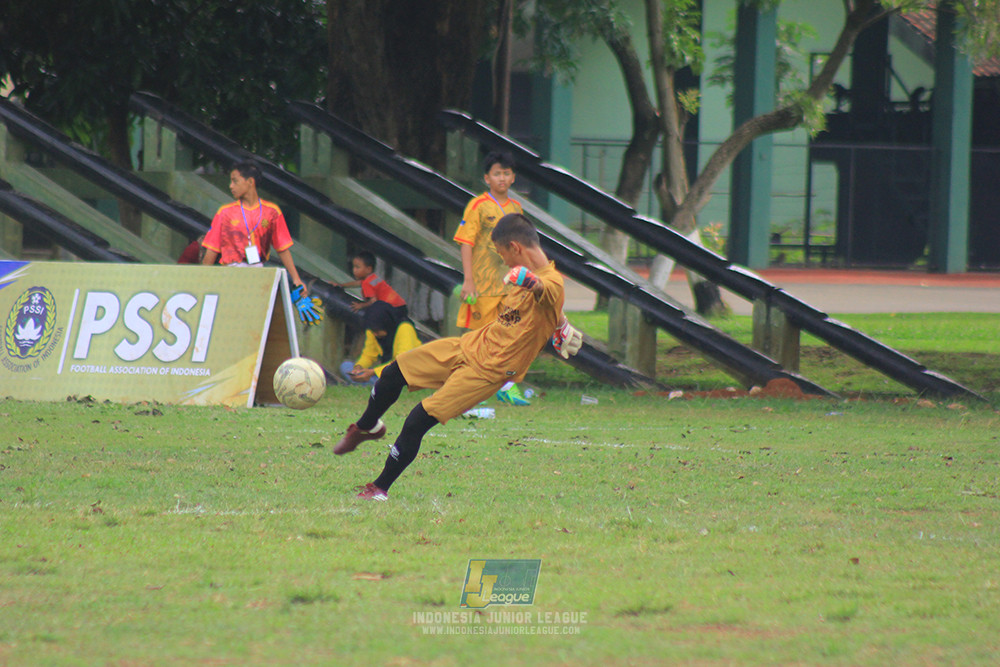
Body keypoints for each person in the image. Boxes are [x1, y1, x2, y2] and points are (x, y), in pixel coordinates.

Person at [333, 213, 581, 501]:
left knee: (418, 419)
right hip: (471, 345)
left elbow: (546, 289)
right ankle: (366, 427)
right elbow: (548, 304)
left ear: (515, 247)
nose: (505, 263)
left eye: (503, 255)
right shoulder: (532, 278)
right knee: (393, 372)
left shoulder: (548, 282)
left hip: (491, 370)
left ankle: (380, 488)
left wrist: (527, 280)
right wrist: (560, 323)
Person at [202, 160, 320, 325]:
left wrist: (296, 278)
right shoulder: (225, 213)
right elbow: (211, 249)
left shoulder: (271, 212)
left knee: (254, 320)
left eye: (235, 181)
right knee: (230, 319)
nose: (230, 186)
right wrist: (201, 279)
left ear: (250, 182)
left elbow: (282, 248)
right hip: (231, 272)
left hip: (257, 272)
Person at [454, 150, 530, 406]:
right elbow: (466, 242)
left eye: (506, 174)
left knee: (512, 336)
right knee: (479, 341)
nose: (501, 178)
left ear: (513, 178)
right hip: (483, 287)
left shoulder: (516, 208)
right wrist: (468, 280)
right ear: (487, 178)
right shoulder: (477, 205)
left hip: (509, 288)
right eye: (497, 173)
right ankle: (471, 392)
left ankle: (507, 386)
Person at [339, 302, 421, 386]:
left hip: (406, 374)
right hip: (384, 373)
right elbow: (368, 355)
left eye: (377, 331)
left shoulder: (405, 328)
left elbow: (401, 364)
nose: (375, 334)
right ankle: (368, 383)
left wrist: (373, 372)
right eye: (373, 331)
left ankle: (368, 384)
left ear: (386, 323)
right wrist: (358, 368)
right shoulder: (372, 330)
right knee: (346, 366)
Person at [330, 251, 408, 328]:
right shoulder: (373, 278)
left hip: (393, 310)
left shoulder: (367, 284)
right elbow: (358, 283)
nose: (354, 270)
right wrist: (342, 285)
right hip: (401, 306)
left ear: (368, 269)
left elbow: (373, 301)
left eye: (357, 267)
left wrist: (361, 306)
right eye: (353, 267)